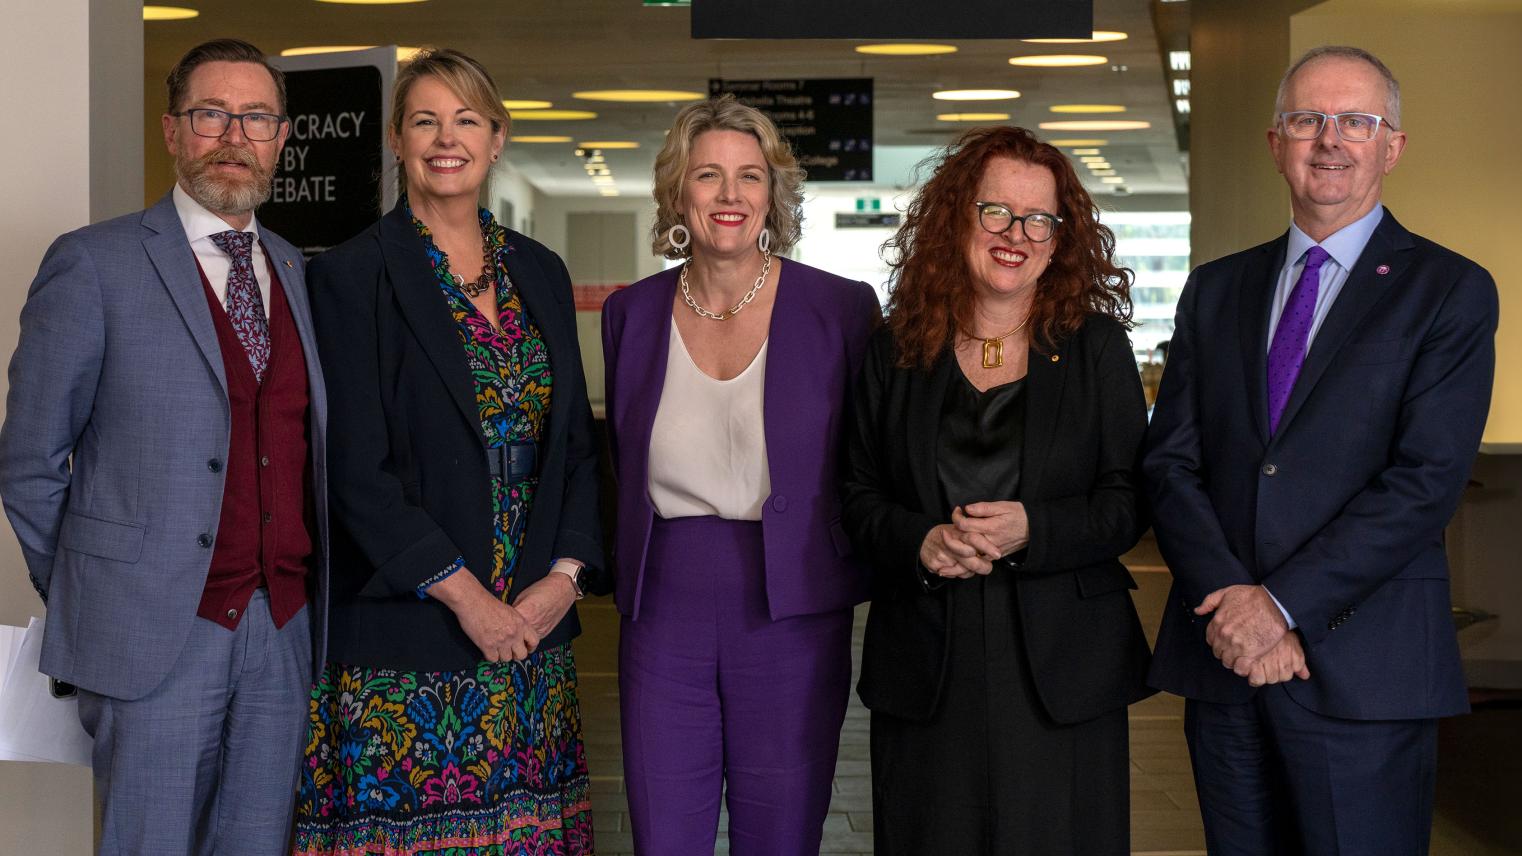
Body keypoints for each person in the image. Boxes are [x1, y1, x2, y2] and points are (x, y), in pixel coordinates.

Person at [1143, 46, 1498, 855]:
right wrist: (1235, 603)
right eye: (1307, 120)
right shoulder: (1216, 288)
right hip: (1222, 661)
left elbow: (1425, 481)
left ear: (1391, 146)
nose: (1329, 140)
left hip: (1361, 670)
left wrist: (1279, 607)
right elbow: (1171, 463)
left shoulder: (1449, 290)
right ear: (1276, 143)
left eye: (1356, 122)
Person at [0, 39, 327, 854]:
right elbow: (29, 461)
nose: (233, 136)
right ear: (172, 131)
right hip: (151, 633)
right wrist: (95, 590)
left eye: (255, 117)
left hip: (282, 630)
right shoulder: (94, 263)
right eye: (210, 114)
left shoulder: (293, 268)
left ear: (281, 137)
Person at [293, 49, 604, 853]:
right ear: (397, 140)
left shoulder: (539, 270)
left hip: (532, 642)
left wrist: (562, 585)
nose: (446, 138)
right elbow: (355, 473)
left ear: (497, 138)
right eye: (425, 120)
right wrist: (472, 603)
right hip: (409, 644)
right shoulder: (352, 275)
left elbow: (573, 444)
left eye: (467, 119)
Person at [842, 125, 1153, 855]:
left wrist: (1032, 529)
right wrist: (920, 540)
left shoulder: (1098, 348)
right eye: (996, 212)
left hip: (1062, 670)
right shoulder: (894, 350)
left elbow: (1128, 501)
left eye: (1039, 218)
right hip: (927, 664)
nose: (1017, 233)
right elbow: (855, 495)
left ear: (1060, 237)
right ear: (957, 218)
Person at [601, 95, 879, 854]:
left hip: (792, 604)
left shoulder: (841, 309)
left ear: (773, 194)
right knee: (665, 830)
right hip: (664, 604)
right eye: (709, 176)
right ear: (677, 192)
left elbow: (871, 458)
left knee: (782, 832)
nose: (730, 196)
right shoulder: (632, 313)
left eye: (749, 177)